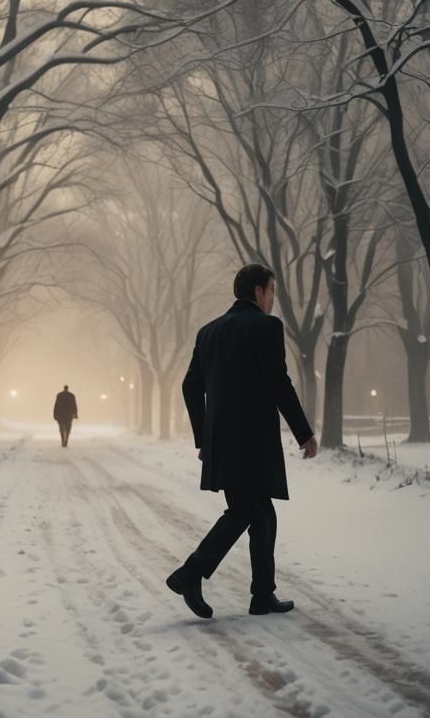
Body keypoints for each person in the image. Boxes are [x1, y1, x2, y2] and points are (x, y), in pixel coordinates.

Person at [167, 263, 318, 620]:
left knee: (261, 513)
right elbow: (278, 382)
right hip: (254, 443)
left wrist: (204, 437)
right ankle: (190, 573)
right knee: (244, 511)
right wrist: (304, 433)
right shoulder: (266, 327)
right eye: (272, 290)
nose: (273, 298)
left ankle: (262, 595)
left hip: (222, 444)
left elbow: (190, 386)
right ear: (258, 291)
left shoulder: (209, 332)